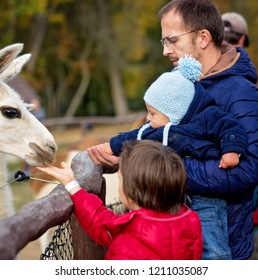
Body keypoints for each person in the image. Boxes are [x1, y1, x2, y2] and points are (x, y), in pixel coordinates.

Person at [88, 0, 258, 260]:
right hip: (176, 241)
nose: (166, 51)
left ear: (203, 37)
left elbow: (249, 169)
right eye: (164, 42)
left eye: (172, 40)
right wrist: (128, 151)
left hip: (219, 245)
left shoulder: (241, 93)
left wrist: (168, 170)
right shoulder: (181, 84)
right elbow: (158, 131)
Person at [96, 55, 247, 260]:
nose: (148, 119)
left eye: (153, 113)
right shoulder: (157, 129)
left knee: (213, 246)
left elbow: (231, 128)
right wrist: (112, 146)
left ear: (175, 110)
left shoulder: (208, 118)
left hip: (208, 198)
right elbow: (135, 136)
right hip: (176, 197)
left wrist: (231, 151)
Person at [37, 140, 203, 260]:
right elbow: (101, 221)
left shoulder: (127, 246)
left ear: (131, 192)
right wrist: (73, 186)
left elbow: (106, 226)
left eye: (120, 178)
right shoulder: (190, 221)